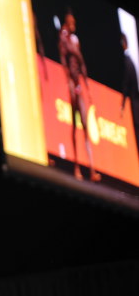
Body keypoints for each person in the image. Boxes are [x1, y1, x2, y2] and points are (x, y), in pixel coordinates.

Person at [57, 11, 100, 181]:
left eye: (74, 22)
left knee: (85, 125)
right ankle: (76, 167)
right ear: (67, 23)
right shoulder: (64, 38)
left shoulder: (74, 40)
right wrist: (68, 81)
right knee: (75, 126)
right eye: (71, 22)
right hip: (71, 84)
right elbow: (64, 59)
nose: (73, 24)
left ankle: (92, 169)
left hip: (79, 84)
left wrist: (86, 86)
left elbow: (81, 62)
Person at [120, 34, 139, 161]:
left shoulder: (127, 62)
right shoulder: (131, 62)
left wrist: (122, 104)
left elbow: (126, 85)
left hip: (135, 106)